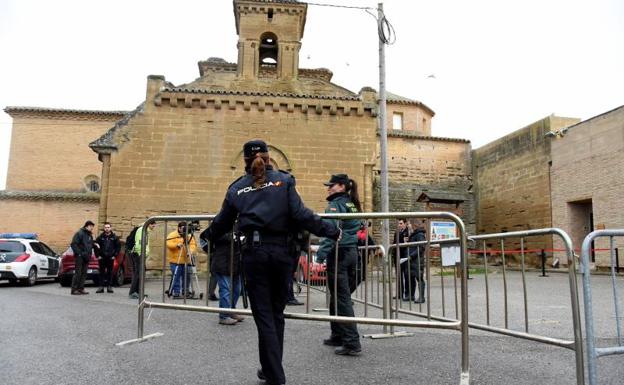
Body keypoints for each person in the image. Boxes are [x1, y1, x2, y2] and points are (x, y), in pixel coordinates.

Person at [203, 139, 340, 385]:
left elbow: (221, 222)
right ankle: (270, 369)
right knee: (276, 315)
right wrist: (331, 230)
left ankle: (274, 374)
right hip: (282, 254)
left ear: (245, 161)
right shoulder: (284, 181)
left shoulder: (237, 188)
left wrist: (205, 239)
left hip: (255, 255)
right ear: (268, 158)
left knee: (265, 316)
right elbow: (301, 214)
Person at [316, 173, 362, 356]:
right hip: (351, 252)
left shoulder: (335, 205)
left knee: (341, 299)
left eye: (332, 185)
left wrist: (320, 256)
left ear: (342, 186)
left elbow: (330, 231)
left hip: (340, 254)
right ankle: (337, 334)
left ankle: (352, 342)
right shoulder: (352, 203)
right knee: (337, 297)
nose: (328, 188)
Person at [208, 232, 244, 325]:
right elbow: (207, 237)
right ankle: (224, 316)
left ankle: (231, 311)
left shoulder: (239, 224)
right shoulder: (220, 224)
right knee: (225, 289)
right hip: (222, 263)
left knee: (237, 290)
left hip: (235, 264)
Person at [166, 222, 197, 299]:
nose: (184, 229)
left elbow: (193, 244)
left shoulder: (189, 235)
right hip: (175, 260)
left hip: (186, 260)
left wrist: (190, 251)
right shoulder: (172, 235)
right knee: (176, 276)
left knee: (187, 277)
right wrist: (176, 245)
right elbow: (168, 243)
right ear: (179, 228)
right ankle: (176, 292)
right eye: (183, 228)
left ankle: (185, 291)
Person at [128, 222, 156, 299]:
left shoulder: (146, 231)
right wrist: (141, 254)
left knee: (140, 273)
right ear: (149, 224)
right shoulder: (142, 230)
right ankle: (133, 292)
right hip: (138, 254)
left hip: (141, 254)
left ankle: (138, 292)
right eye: (153, 224)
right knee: (137, 273)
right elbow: (139, 242)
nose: (154, 226)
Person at [94, 222, 121, 293]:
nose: (107, 229)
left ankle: (109, 287)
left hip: (110, 258)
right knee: (101, 272)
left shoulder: (114, 238)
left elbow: (118, 247)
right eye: (105, 227)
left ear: (110, 228)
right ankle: (101, 287)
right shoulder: (100, 237)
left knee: (110, 272)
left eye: (108, 227)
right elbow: (95, 246)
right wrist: (98, 255)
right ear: (104, 228)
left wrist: (114, 255)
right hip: (102, 258)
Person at [70, 220, 95, 295]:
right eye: (91, 227)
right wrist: (79, 254)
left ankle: (81, 288)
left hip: (87, 256)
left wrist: (94, 244)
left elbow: (89, 245)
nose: (92, 228)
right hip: (80, 257)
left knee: (84, 273)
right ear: (87, 226)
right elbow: (73, 244)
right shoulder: (79, 233)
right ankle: (74, 289)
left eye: (92, 227)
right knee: (78, 273)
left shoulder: (89, 235)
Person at [393, 218, 412, 300]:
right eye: (398, 223)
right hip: (397, 256)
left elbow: (407, 243)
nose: (399, 225)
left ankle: (408, 294)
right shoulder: (396, 232)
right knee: (399, 276)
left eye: (401, 223)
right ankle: (399, 293)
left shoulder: (408, 232)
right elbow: (394, 243)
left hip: (405, 256)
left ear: (405, 223)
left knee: (407, 275)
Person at [409, 221, 427, 303]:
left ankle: (421, 297)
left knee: (419, 278)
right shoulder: (414, 234)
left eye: (410, 224)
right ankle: (412, 295)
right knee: (415, 277)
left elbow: (421, 247)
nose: (409, 225)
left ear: (415, 225)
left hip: (418, 260)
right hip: (413, 260)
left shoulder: (420, 234)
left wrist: (412, 255)